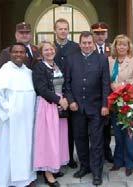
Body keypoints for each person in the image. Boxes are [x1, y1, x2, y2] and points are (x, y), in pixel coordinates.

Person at [0, 43, 36, 187]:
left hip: (27, 121)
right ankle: (7, 180)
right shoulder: (5, 70)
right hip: (10, 121)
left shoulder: (28, 72)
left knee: (26, 149)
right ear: (10, 54)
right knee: (9, 150)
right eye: (15, 52)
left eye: (22, 52)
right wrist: (7, 111)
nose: (19, 54)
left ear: (25, 55)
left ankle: (26, 179)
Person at [64, 31, 110, 185]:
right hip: (77, 108)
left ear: (93, 43)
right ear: (80, 44)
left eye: (90, 43)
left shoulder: (102, 59)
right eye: (84, 43)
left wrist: (105, 104)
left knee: (97, 141)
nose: (87, 45)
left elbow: (105, 84)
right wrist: (70, 101)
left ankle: (97, 172)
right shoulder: (71, 59)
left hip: (96, 107)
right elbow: (67, 83)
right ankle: (85, 166)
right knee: (80, 139)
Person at [32, 41, 70, 187]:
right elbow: (41, 89)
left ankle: (54, 166)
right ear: (41, 53)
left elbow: (63, 84)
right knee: (48, 139)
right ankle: (47, 172)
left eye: (51, 49)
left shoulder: (56, 65)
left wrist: (64, 99)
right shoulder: (39, 67)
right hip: (48, 105)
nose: (49, 52)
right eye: (46, 50)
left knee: (58, 137)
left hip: (60, 105)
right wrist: (59, 100)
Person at [108, 34, 133, 176]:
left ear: (128, 47)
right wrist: (111, 85)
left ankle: (130, 163)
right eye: (119, 44)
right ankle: (118, 161)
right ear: (115, 46)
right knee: (118, 133)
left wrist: (121, 86)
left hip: (129, 100)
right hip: (115, 101)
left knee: (128, 134)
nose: (121, 47)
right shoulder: (110, 60)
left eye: (124, 44)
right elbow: (105, 77)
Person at [53, 18, 80, 169]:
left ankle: (69, 158)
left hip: (71, 92)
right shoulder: (50, 47)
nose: (63, 31)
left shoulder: (75, 47)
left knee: (70, 128)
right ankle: (56, 157)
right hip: (53, 94)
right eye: (60, 28)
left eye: (65, 29)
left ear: (68, 30)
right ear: (55, 30)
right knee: (54, 128)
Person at [91, 22, 113, 163]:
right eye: (97, 33)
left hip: (110, 93)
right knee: (93, 127)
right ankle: (94, 153)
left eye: (102, 33)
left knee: (107, 125)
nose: (100, 36)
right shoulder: (87, 48)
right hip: (93, 94)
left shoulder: (112, 49)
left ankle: (107, 151)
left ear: (106, 34)